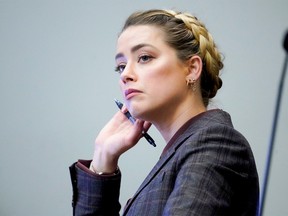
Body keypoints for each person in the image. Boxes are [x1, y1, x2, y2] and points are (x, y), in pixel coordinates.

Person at [69, 9, 259, 215]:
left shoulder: (216, 143)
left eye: (144, 57)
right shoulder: (184, 150)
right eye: (121, 66)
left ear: (192, 69)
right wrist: (103, 158)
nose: (126, 75)